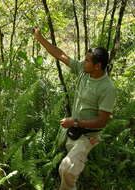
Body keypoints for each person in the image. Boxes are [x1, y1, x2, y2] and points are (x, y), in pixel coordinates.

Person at [32, 27, 116, 190]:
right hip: (74, 131)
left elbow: (102, 121)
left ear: (97, 66)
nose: (83, 62)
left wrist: (75, 122)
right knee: (67, 165)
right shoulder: (84, 72)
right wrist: (39, 37)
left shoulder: (107, 88)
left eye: (87, 61)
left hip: (88, 136)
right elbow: (60, 54)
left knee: (66, 169)